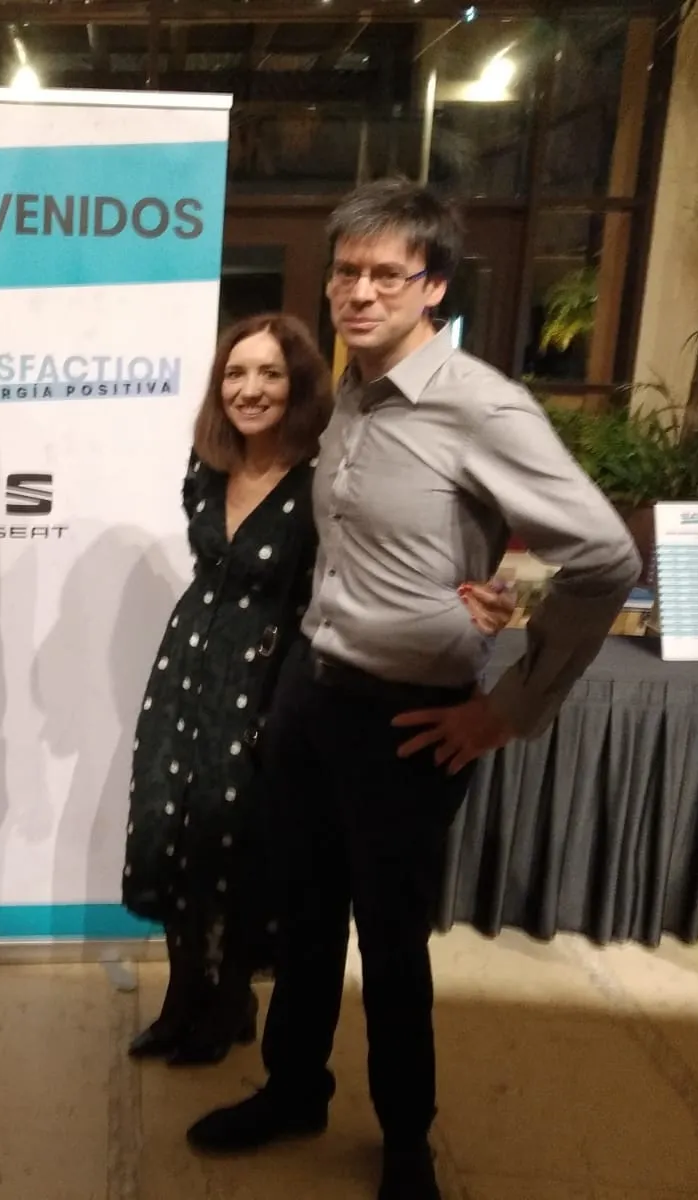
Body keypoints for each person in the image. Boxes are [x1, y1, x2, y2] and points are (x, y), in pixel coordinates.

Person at [184, 181, 640, 1199]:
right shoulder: (347, 397)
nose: (359, 292)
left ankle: (403, 1142)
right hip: (312, 694)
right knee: (302, 919)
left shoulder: (482, 406)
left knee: (390, 942)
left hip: (410, 718)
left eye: (387, 274)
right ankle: (293, 1089)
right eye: (346, 272)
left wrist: (508, 705)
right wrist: (476, 590)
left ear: (433, 286)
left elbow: (604, 557)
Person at [122, 313, 514, 1069]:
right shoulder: (208, 463)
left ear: (298, 385)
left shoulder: (324, 477)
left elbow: (384, 560)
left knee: (239, 841)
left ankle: (229, 1002)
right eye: (236, 373)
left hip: (276, 672)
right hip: (187, 669)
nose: (250, 389)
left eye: (269, 374)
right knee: (176, 829)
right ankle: (181, 999)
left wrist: (466, 594)